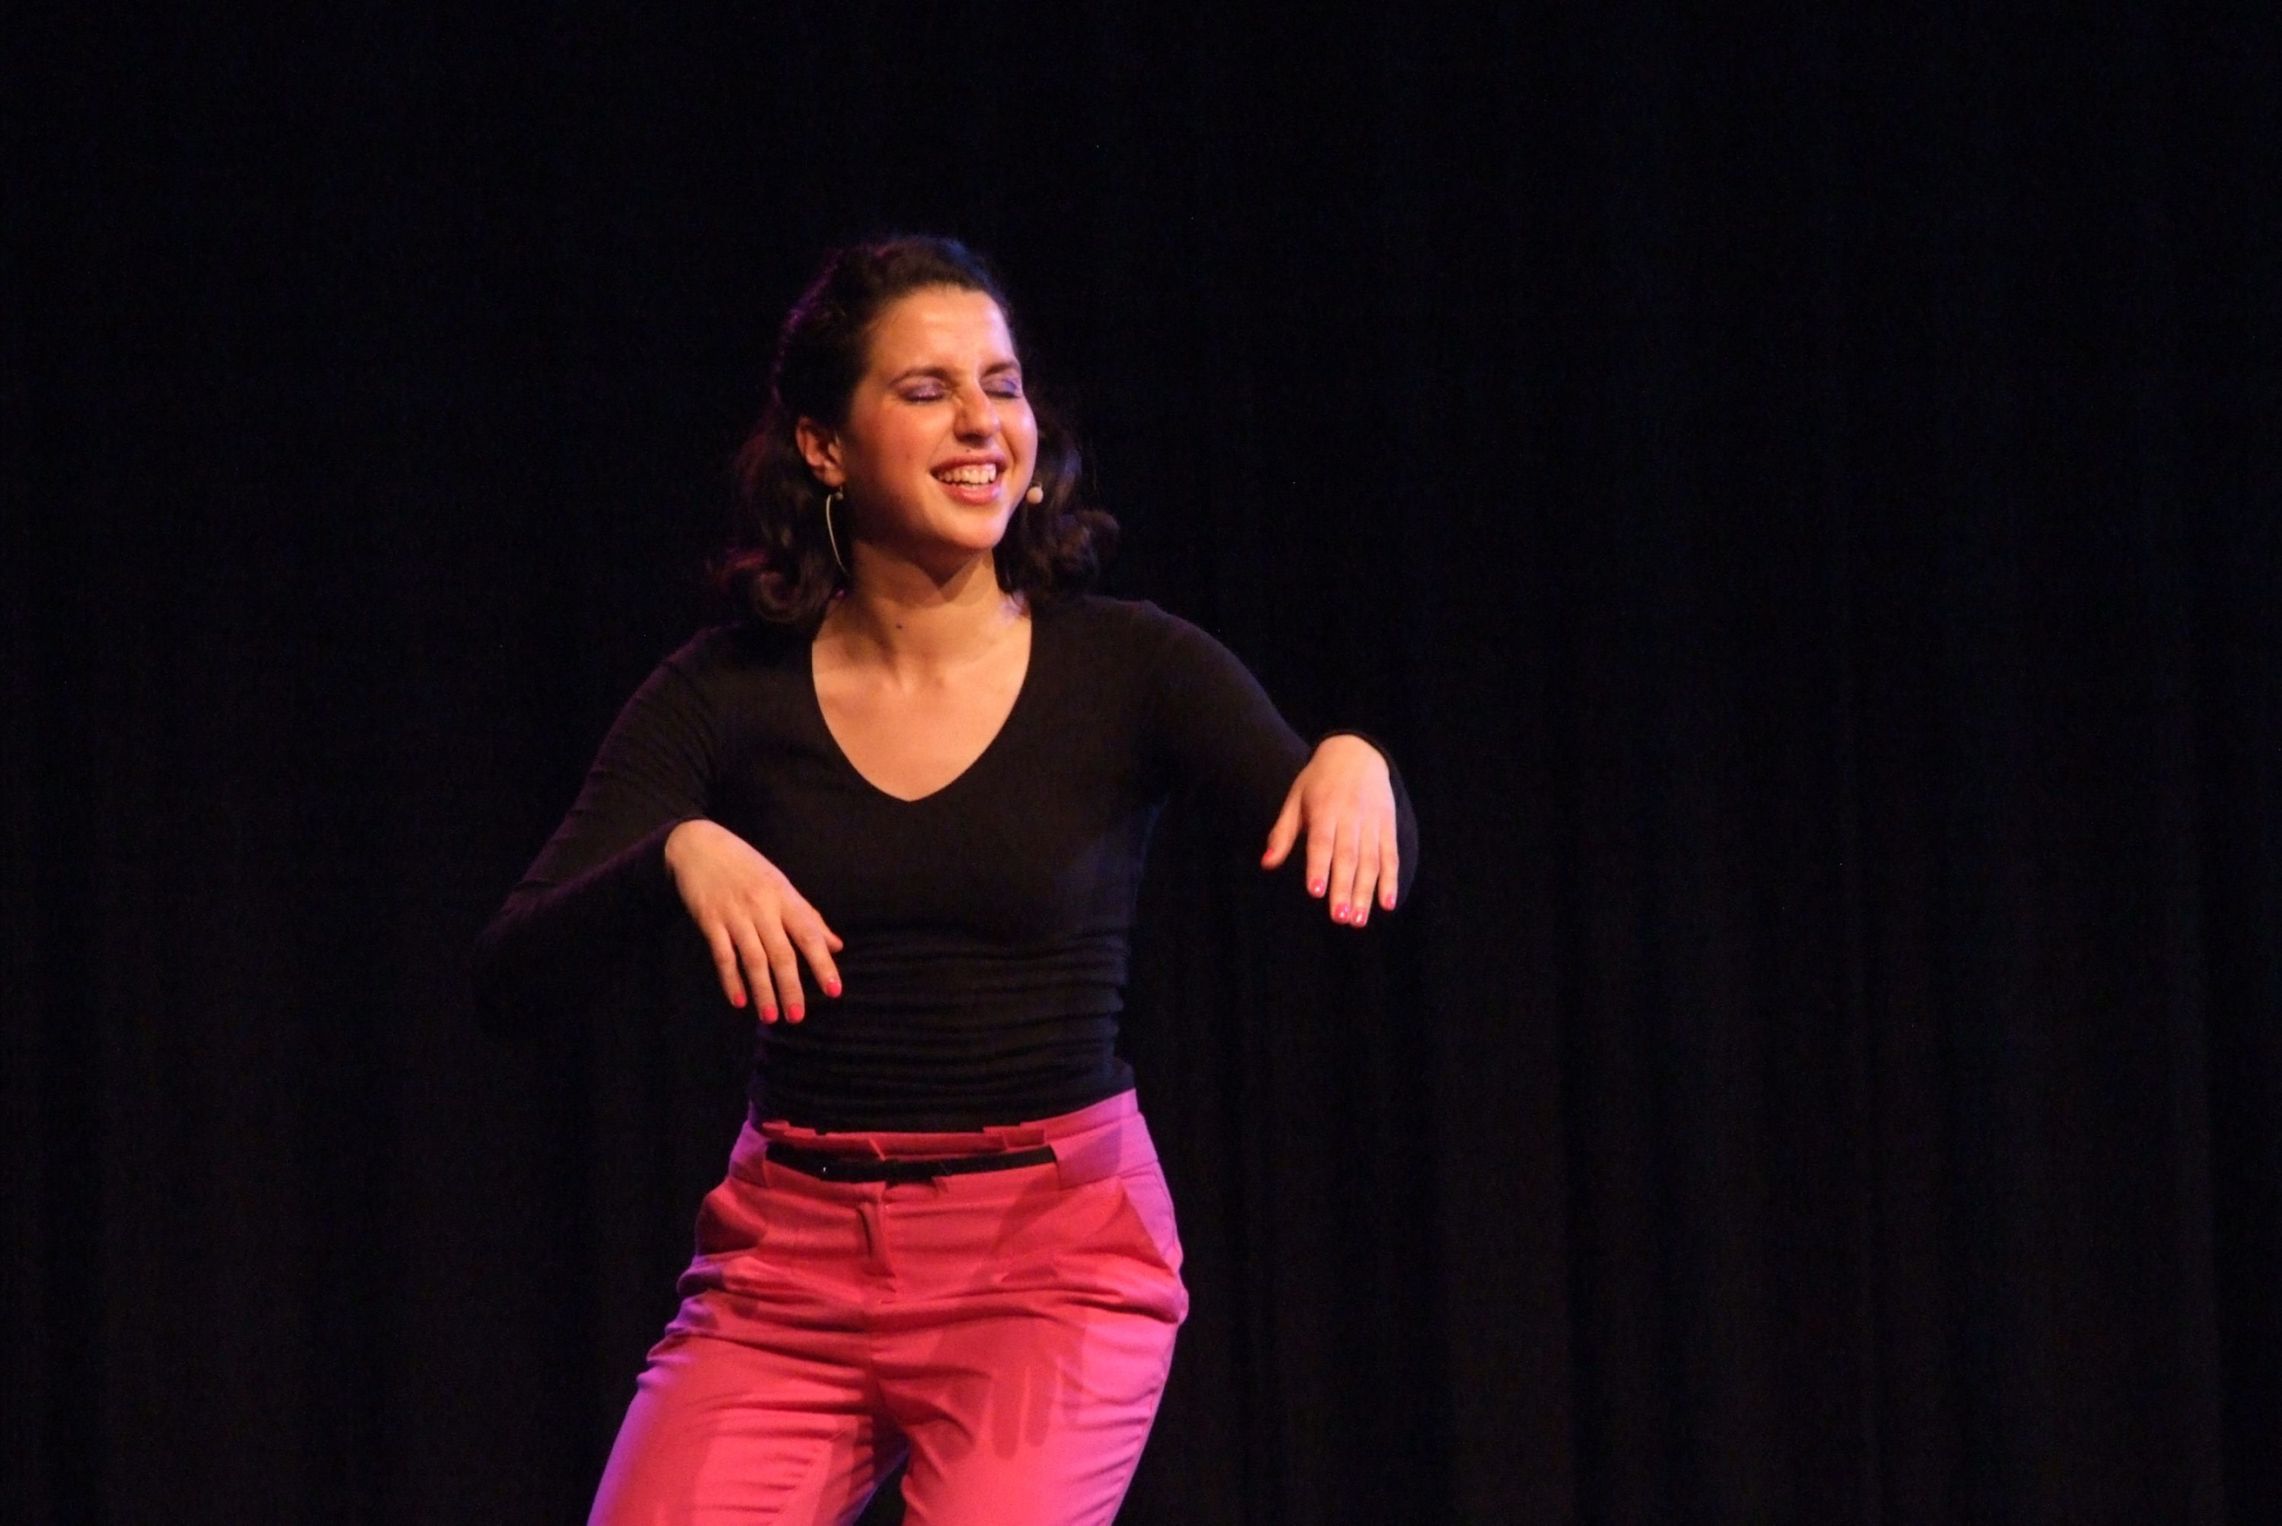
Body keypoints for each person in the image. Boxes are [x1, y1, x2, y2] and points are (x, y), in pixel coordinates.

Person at [472, 235, 1417, 1526]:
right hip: (788, 1266)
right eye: (927, 390)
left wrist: (1360, 766)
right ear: (823, 446)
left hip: (1052, 1261)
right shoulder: (724, 693)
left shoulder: (1130, 667)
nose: (983, 421)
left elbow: (1340, 827)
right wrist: (673, 856)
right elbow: (511, 975)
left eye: (1002, 385)